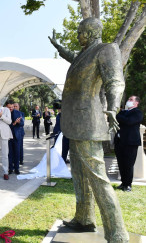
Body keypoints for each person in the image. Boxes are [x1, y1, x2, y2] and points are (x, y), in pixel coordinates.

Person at [51, 18, 128, 241]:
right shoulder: (85, 54)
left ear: (92, 32)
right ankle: (84, 218)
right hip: (75, 125)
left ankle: (117, 233)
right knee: (79, 175)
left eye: (80, 32)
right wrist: (58, 47)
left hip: (89, 123)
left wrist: (113, 107)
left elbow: (115, 80)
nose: (77, 36)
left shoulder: (106, 49)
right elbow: (73, 58)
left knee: (98, 179)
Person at [114, 96, 143, 192]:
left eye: (131, 100)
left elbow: (129, 121)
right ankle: (123, 183)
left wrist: (119, 116)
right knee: (121, 163)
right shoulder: (122, 112)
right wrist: (120, 116)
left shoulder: (137, 113)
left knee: (129, 164)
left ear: (136, 103)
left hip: (131, 142)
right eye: (128, 99)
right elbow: (118, 120)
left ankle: (128, 185)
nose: (128, 101)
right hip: (119, 142)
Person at [6, 100, 25, 175]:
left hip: (17, 136)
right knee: (9, 154)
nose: (11, 108)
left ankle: (17, 168)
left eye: (12, 107)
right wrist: (14, 123)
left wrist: (19, 122)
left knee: (17, 153)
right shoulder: (4, 113)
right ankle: (10, 168)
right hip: (7, 136)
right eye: (9, 107)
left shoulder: (18, 113)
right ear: (6, 107)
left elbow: (22, 124)